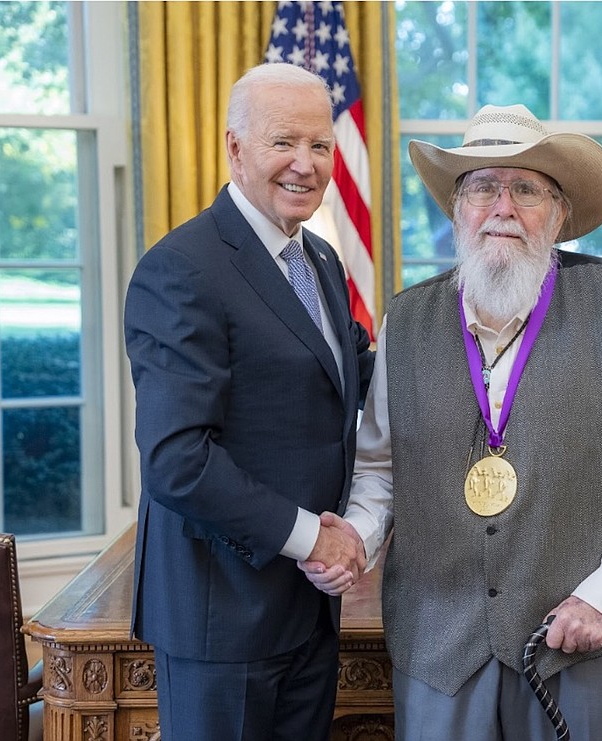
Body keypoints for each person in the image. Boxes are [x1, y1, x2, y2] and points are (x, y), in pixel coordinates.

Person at [301, 103, 602, 740]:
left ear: (560, 213)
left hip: (588, 645)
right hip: (441, 650)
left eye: (527, 189)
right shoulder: (406, 321)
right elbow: (381, 471)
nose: (504, 207)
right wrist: (355, 536)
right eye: (483, 187)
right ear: (456, 208)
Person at [123, 63, 373, 741]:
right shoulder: (181, 270)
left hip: (308, 610)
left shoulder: (318, 257)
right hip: (221, 618)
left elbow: (351, 372)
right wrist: (310, 535)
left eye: (320, 145)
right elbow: (177, 460)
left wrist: (471, 363)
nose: (306, 164)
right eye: (283, 142)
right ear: (235, 147)